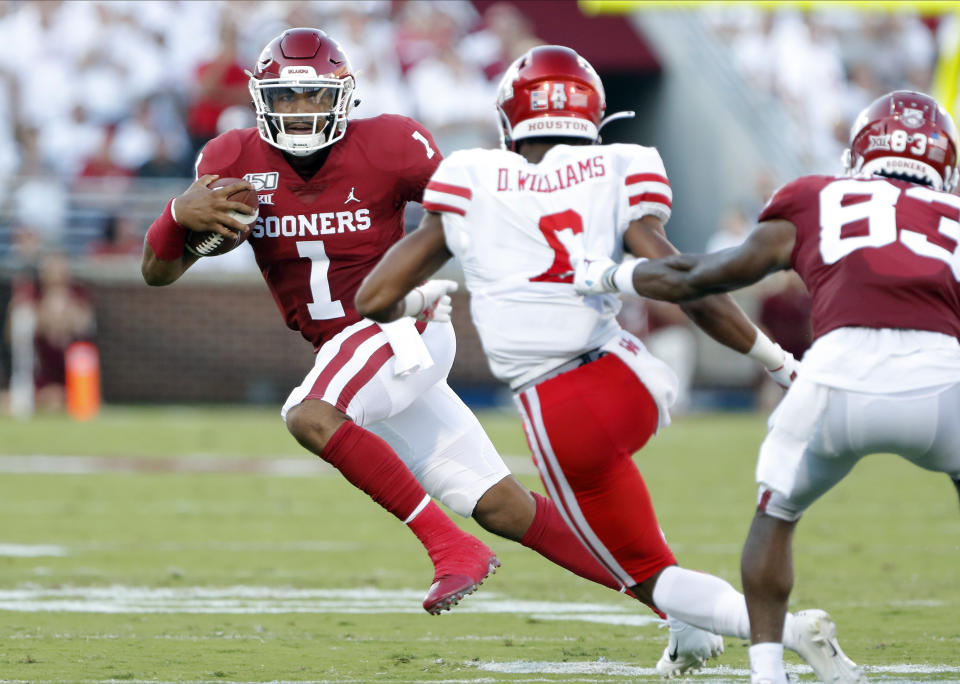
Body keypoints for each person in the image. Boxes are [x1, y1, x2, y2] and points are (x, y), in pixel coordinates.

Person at [355, 44, 859, 681]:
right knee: (639, 540)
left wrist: (419, 296)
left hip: (560, 405)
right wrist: (782, 365)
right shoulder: (620, 166)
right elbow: (685, 283)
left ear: (512, 121)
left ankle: (789, 631)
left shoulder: (469, 177)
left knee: (644, 574)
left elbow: (372, 298)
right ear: (592, 118)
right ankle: (688, 637)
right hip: (633, 377)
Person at [140, 27, 674, 621]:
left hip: (402, 324)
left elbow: (473, 208)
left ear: (343, 96)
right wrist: (174, 216)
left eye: (313, 96)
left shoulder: (391, 143)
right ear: (263, 98)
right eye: (286, 96)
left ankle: (450, 547)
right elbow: (158, 274)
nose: (299, 110)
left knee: (310, 415)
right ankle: (672, 599)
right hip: (349, 352)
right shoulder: (230, 159)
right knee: (501, 506)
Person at [568, 89, 960, 683]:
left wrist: (610, 273)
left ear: (859, 152)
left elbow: (706, 273)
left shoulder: (816, 197)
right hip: (943, 383)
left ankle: (768, 672)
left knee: (775, 512)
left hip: (836, 377)